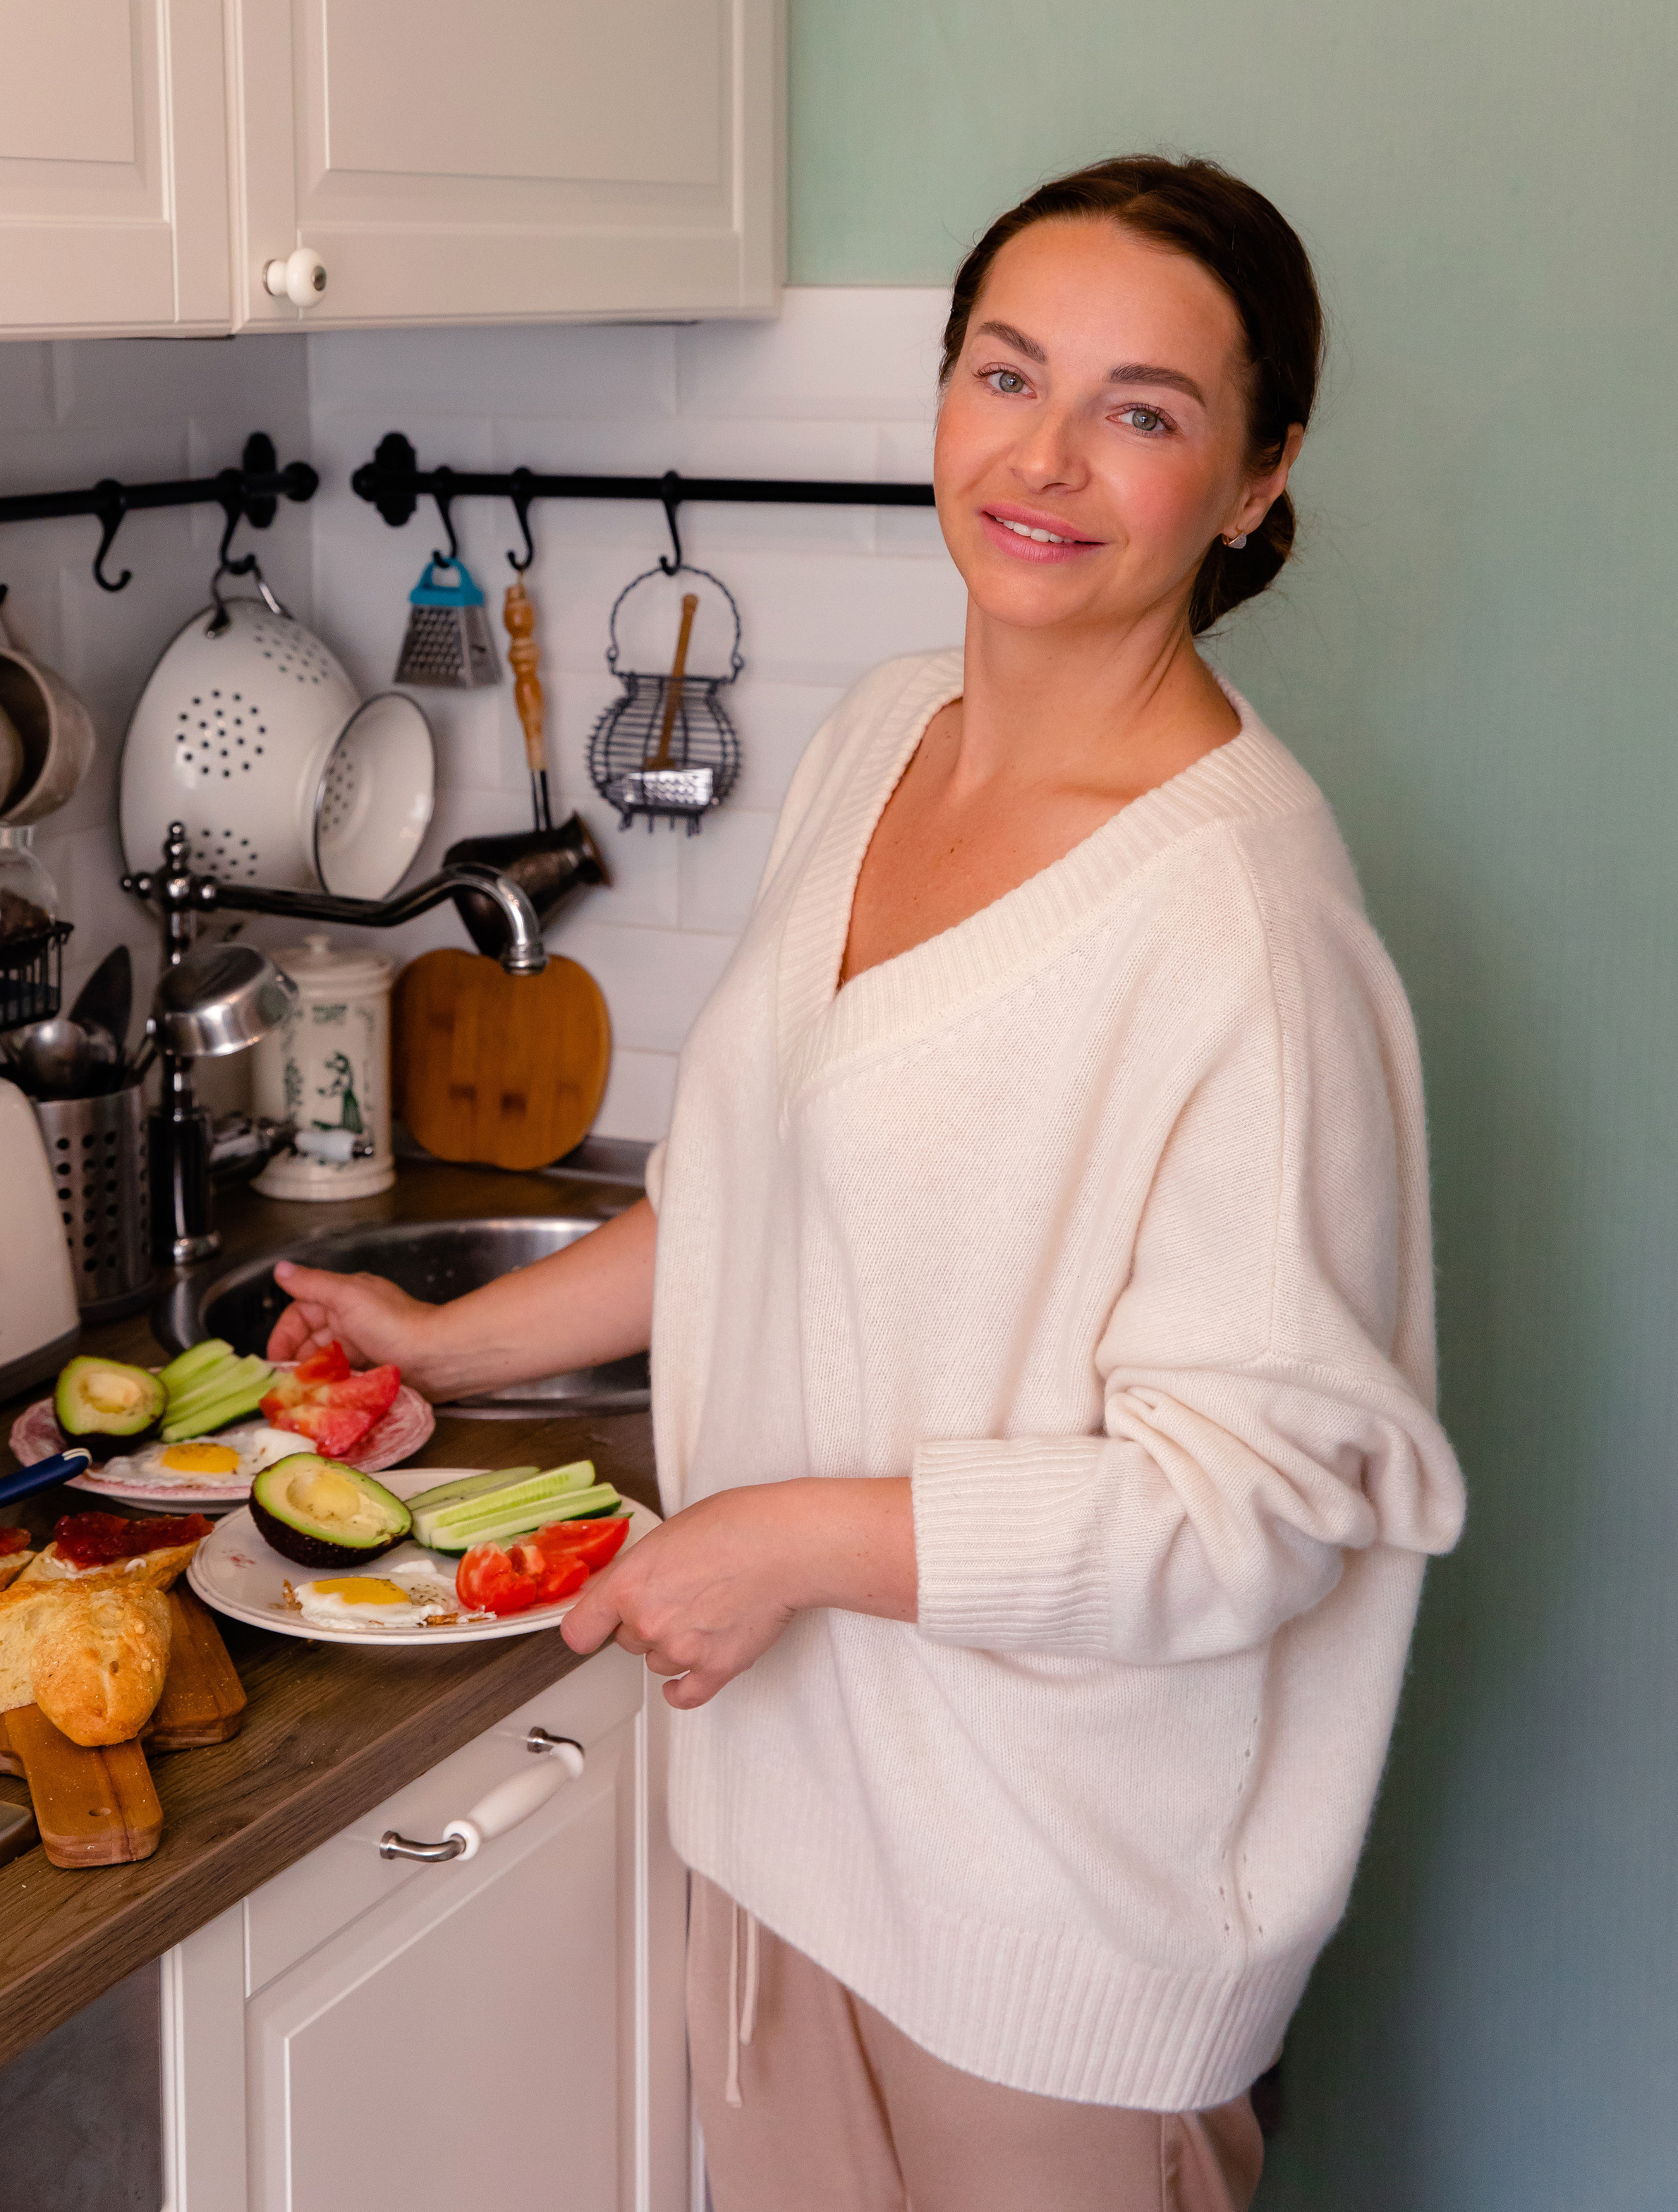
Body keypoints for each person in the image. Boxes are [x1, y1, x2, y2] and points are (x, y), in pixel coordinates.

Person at [269, 156, 1466, 2212]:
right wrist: (443, 1336)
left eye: (1144, 410)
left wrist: (785, 1543)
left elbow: (1262, 1505)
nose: (1049, 456)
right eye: (1008, 374)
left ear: (1256, 482)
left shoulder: (1244, 925)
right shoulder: (887, 734)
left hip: (1055, 1949)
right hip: (788, 1850)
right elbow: (761, 1197)